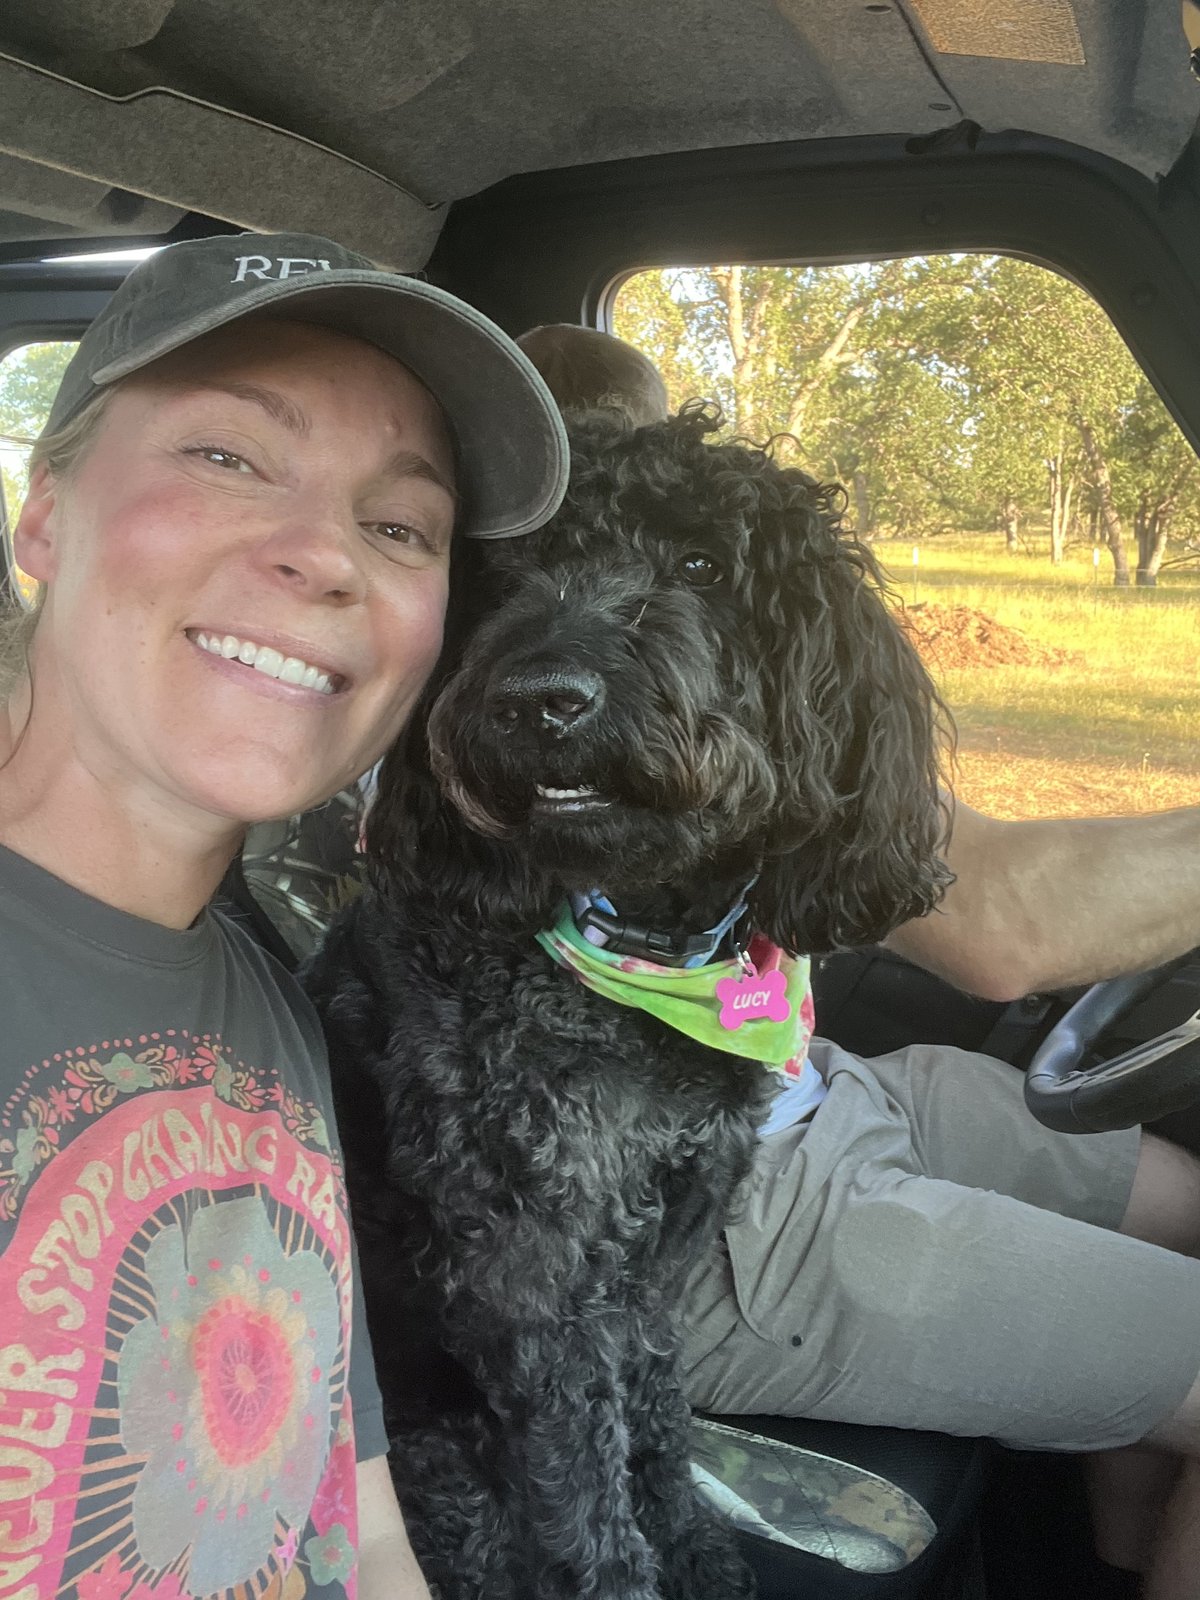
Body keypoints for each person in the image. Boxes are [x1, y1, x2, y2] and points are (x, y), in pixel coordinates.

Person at [520, 324, 1200, 1598]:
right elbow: (995, 920)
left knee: (1186, 1210)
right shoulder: (516, 698)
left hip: (809, 1082)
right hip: (707, 1210)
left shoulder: (714, 670)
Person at [0, 231, 568, 1600]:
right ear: (44, 519)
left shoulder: (269, 1009)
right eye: (228, 458)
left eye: (399, 527)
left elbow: (352, 1525)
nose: (326, 557)